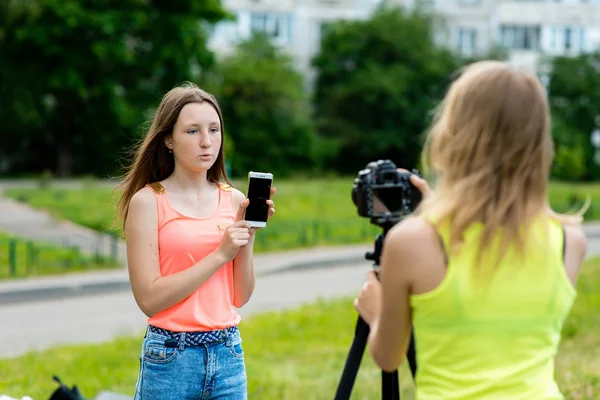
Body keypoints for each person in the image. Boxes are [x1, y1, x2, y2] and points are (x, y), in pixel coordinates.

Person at [354, 61, 588, 399]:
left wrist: (376, 313)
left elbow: (388, 357)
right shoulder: (571, 242)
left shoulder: (412, 242)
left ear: (452, 136)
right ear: (540, 143)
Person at [115, 82, 275, 399]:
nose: (206, 142)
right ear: (167, 139)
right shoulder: (148, 202)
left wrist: (248, 238)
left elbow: (240, 296)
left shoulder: (234, 200)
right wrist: (219, 254)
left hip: (228, 353)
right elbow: (149, 299)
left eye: (214, 130)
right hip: (170, 358)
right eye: (192, 131)